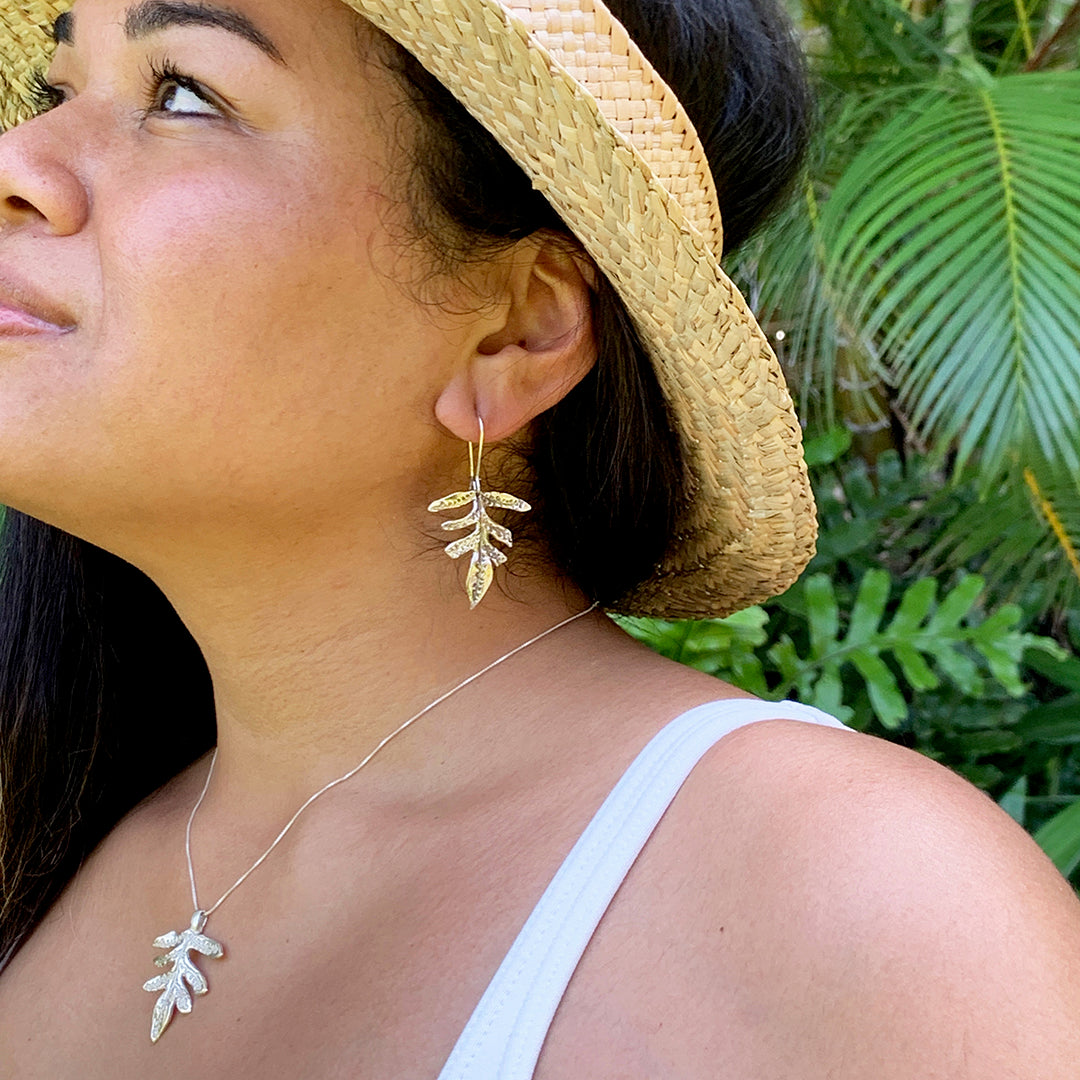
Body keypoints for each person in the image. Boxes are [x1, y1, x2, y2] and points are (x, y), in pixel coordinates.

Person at [0, 0, 1077, 1075]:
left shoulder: (860, 905)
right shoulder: (47, 823)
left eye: (183, 93)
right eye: (57, 90)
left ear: (521, 332)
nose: (17, 160)